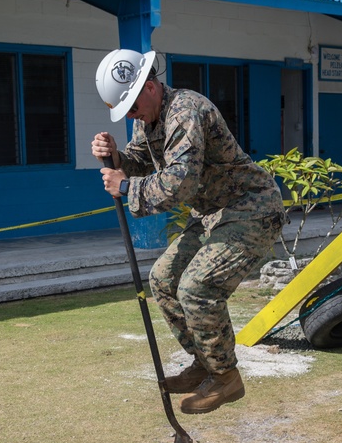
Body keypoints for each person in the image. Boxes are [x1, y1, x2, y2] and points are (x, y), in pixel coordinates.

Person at [92, 49, 284, 415]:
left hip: (249, 208)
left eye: (132, 107)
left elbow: (179, 184)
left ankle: (226, 378)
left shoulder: (186, 111)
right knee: (164, 279)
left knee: (198, 287)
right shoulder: (148, 116)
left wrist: (125, 188)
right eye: (126, 111)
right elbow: (140, 161)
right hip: (212, 213)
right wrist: (117, 160)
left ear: (150, 87)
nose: (131, 116)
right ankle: (204, 364)